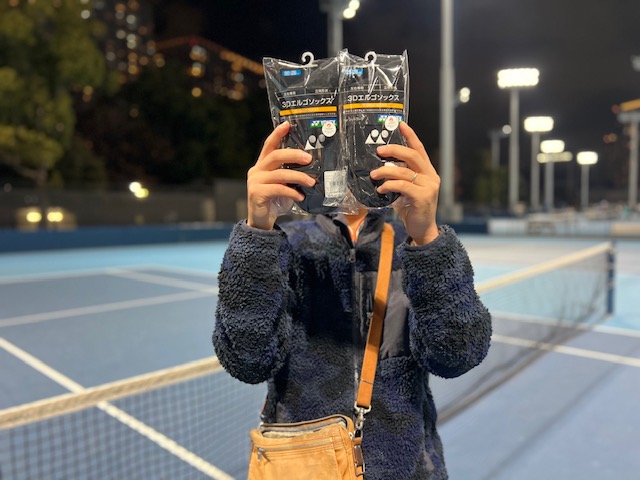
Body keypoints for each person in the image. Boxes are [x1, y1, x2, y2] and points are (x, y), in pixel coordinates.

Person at [213, 120, 492, 479]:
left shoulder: (415, 244)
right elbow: (246, 360)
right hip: (306, 466)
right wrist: (257, 232)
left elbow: (457, 355)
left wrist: (427, 238)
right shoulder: (280, 245)